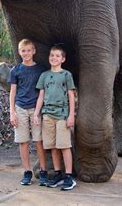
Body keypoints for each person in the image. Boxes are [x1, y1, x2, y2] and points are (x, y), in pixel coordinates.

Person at [34, 44, 77, 191]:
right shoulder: (44, 75)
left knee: (64, 146)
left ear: (63, 59)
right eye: (52, 55)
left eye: (57, 56)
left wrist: (71, 115)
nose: (54, 58)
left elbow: (71, 95)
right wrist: (36, 114)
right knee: (52, 146)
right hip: (47, 115)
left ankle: (69, 176)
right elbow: (41, 96)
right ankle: (58, 173)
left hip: (62, 115)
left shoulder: (66, 75)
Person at [8, 39, 47, 186]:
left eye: (28, 50)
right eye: (23, 51)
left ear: (34, 51)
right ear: (19, 52)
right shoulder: (15, 70)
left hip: (35, 109)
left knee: (38, 141)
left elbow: (42, 92)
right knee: (23, 142)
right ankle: (27, 172)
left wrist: (37, 113)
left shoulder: (40, 70)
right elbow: (12, 93)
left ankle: (43, 171)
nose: (26, 53)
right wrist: (12, 112)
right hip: (20, 108)